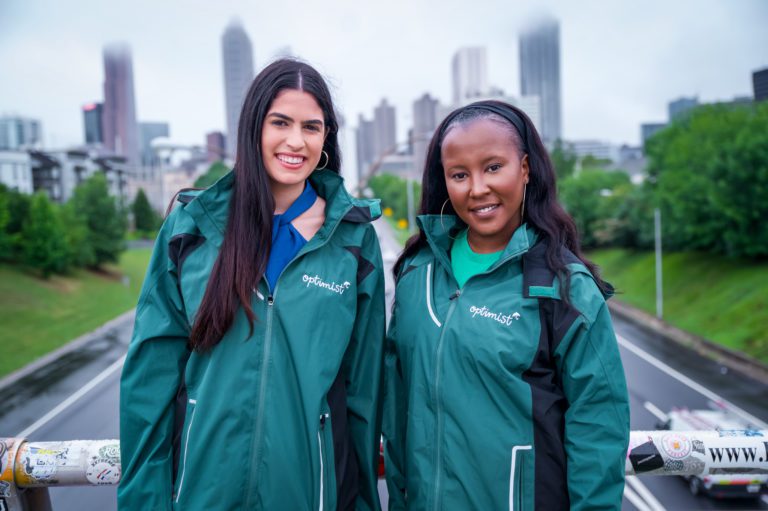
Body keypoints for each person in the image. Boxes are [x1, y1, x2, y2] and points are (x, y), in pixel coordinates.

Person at [119, 59, 385, 511]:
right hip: (201, 497)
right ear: (253, 128)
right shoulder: (192, 227)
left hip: (309, 496)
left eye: (311, 127)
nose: (295, 141)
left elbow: (364, 393)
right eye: (280, 122)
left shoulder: (353, 241)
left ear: (326, 140)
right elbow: (149, 382)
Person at [383, 100, 630, 510]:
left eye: (493, 167)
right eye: (459, 174)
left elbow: (598, 428)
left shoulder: (565, 288)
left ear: (526, 169)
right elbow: (397, 412)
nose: (477, 188)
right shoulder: (416, 275)